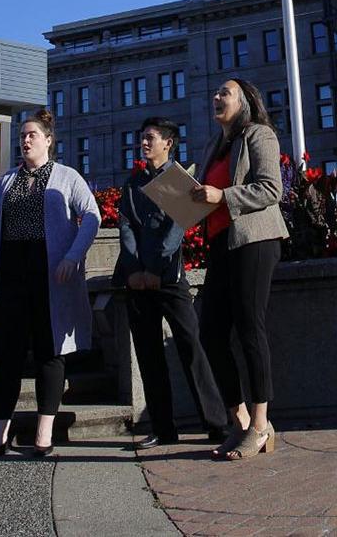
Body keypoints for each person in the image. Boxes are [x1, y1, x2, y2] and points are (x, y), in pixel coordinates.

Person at [0, 109, 100, 460]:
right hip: (10, 275)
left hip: (50, 277)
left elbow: (92, 216)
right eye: (22, 135)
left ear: (48, 140)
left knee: (49, 352)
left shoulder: (66, 177)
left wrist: (73, 256)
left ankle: (44, 434)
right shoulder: (5, 182)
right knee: (5, 356)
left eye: (32, 135)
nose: (25, 140)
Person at [114, 118, 225, 449]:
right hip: (137, 280)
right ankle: (163, 428)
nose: (144, 143)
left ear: (168, 143)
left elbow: (176, 229)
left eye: (150, 138)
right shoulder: (132, 183)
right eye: (142, 138)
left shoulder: (180, 180)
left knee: (191, 346)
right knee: (148, 354)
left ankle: (216, 423)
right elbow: (126, 225)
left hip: (169, 278)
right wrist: (135, 269)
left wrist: (157, 269)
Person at [192, 78, 288, 460]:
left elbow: (271, 188)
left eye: (225, 93)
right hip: (220, 243)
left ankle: (262, 425)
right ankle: (241, 421)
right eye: (214, 92)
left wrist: (221, 196)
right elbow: (208, 195)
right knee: (211, 333)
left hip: (255, 241)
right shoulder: (214, 145)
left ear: (246, 100)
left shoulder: (259, 135)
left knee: (250, 327)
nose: (216, 96)